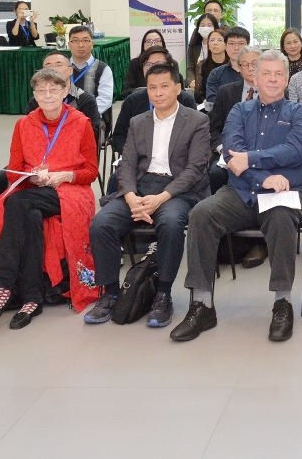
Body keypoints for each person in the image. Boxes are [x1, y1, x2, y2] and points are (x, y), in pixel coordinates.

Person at [173, 50, 302, 343]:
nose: (272, 79)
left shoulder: (301, 113)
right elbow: (231, 155)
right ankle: (202, 305)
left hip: (285, 193)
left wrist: (251, 158)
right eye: (266, 73)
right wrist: (263, 176)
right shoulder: (239, 111)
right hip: (241, 191)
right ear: (255, 77)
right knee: (201, 214)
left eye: (279, 74)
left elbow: (295, 151)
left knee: (281, 219)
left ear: (287, 79)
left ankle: (282, 303)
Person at [0, 68, 99, 328]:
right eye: (41, 90)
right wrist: (33, 177)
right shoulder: (23, 125)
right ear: (35, 95)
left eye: (53, 89)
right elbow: (13, 170)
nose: (47, 95)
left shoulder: (81, 123)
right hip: (33, 189)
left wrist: (65, 175)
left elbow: (91, 172)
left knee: (15, 202)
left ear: (65, 91)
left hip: (70, 191)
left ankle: (3, 283)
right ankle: (32, 298)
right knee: (29, 215)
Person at [85, 62, 212, 329]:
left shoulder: (197, 120)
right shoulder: (138, 121)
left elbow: (195, 169)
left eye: (164, 86)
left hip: (178, 189)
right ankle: (111, 293)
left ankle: (163, 293)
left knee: (171, 223)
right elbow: (127, 164)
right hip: (141, 187)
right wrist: (130, 195)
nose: (158, 93)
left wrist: (161, 198)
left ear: (178, 88)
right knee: (101, 224)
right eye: (152, 88)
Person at [206, 45, 267, 269]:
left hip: (261, 154)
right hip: (228, 153)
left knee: (262, 176)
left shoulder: (274, 90)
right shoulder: (226, 92)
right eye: (245, 64)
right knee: (215, 174)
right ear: (238, 68)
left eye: (255, 64)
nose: (250, 68)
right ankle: (225, 238)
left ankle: (259, 241)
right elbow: (214, 128)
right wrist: (224, 149)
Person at [110, 48, 197, 154]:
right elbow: (119, 138)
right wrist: (135, 156)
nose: (154, 68)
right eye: (149, 65)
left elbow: (194, 141)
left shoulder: (186, 101)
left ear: (171, 66)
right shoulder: (132, 101)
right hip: (139, 159)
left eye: (159, 64)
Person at [29, 51, 102, 139]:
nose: (53, 69)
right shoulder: (37, 101)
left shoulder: (86, 100)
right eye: (48, 66)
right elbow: (29, 132)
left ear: (70, 70)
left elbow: (91, 134)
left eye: (59, 65)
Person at [68, 25, 113, 118]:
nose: (80, 45)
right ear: (69, 45)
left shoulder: (103, 69)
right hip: (63, 118)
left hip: (91, 118)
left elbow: (105, 100)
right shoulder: (62, 68)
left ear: (92, 44)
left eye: (85, 40)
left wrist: (82, 117)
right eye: (75, 41)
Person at [205, 26, 251, 104]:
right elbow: (213, 102)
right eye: (232, 43)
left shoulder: (257, 72)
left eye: (241, 43)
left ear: (248, 46)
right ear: (225, 46)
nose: (236, 48)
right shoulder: (216, 74)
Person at [186, 0, 225, 73]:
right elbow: (190, 63)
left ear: (221, 14)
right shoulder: (197, 32)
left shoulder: (227, 32)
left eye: (215, 10)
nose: (212, 13)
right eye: (209, 10)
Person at [187, 12, 223, 89]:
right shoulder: (194, 46)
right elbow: (190, 67)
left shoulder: (220, 45)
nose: (206, 28)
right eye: (203, 25)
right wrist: (192, 81)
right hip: (197, 85)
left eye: (209, 25)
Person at [193, 25, 227, 103]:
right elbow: (198, 94)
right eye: (212, 40)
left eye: (220, 40)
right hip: (207, 104)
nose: (215, 43)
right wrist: (206, 102)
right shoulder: (202, 65)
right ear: (208, 45)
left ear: (226, 44)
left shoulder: (231, 65)